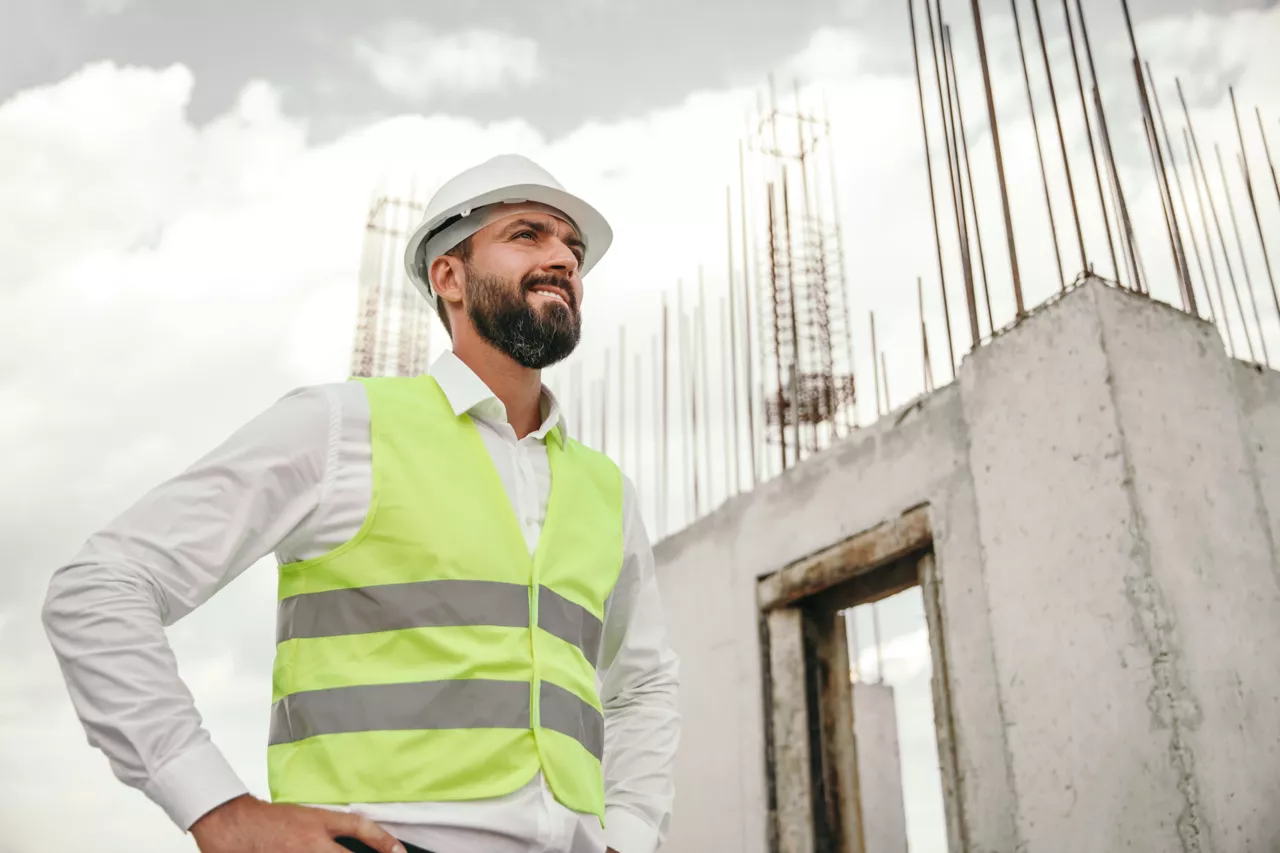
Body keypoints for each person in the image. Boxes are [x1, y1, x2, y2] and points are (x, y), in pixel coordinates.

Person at [42, 154, 681, 853]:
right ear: (450, 276)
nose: (563, 256)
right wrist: (218, 806)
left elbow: (642, 683)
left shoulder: (604, 489)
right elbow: (100, 585)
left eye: (573, 247)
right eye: (528, 234)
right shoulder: (342, 428)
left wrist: (631, 833)